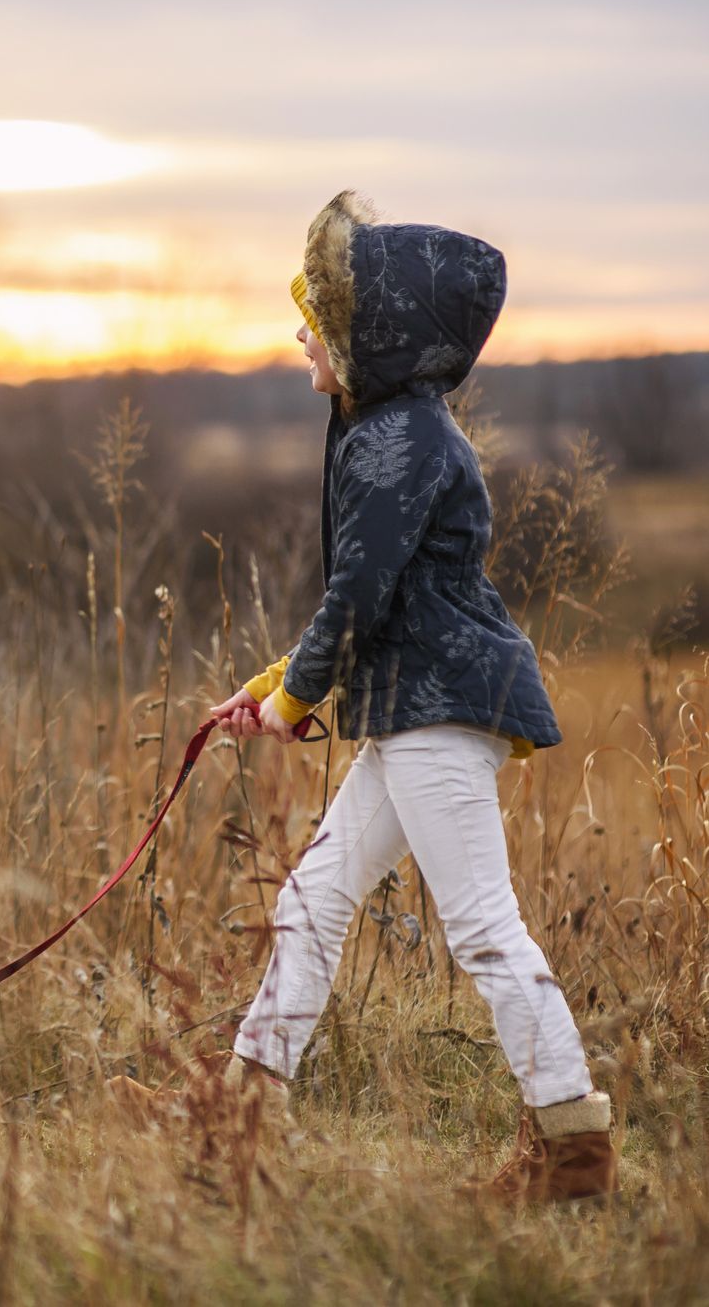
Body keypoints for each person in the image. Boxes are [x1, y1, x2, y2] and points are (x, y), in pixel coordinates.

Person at [110, 191, 615, 1203]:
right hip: (410, 703)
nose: (301, 330)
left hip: (435, 708)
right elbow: (368, 600)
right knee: (314, 897)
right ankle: (244, 1112)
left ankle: (571, 1149)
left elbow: (359, 591)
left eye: (319, 319)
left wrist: (294, 700)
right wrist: (273, 686)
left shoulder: (396, 441)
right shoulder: (387, 426)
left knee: (479, 925)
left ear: (369, 340)